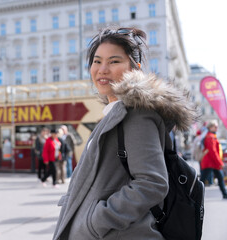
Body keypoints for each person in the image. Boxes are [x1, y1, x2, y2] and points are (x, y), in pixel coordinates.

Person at [53, 26, 198, 240]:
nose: (102, 69)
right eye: (97, 61)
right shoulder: (113, 114)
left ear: (135, 68)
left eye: (114, 61)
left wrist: (96, 221)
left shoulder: (136, 115)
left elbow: (152, 182)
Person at [200, 120, 227, 198]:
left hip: (211, 162)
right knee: (203, 180)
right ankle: (196, 195)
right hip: (210, 162)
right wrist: (220, 163)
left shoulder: (211, 136)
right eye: (215, 126)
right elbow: (213, 152)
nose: (217, 128)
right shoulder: (210, 137)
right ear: (210, 127)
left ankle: (225, 193)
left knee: (219, 177)